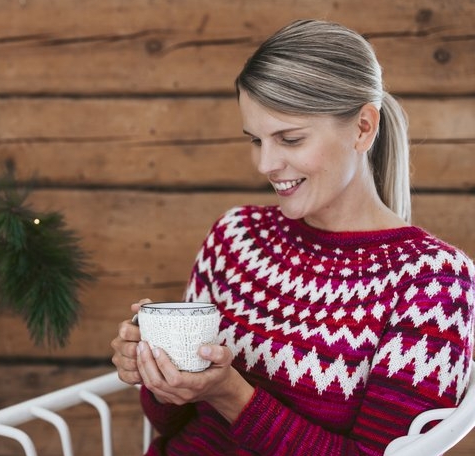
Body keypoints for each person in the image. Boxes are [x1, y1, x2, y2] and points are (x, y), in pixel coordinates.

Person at [110, 19, 474, 455]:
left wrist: (231, 393)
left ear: (362, 128)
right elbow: (170, 422)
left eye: (290, 138)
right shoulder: (235, 236)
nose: (265, 164)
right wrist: (158, 374)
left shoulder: (434, 283)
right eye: (256, 140)